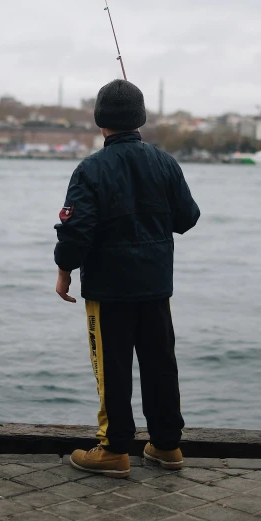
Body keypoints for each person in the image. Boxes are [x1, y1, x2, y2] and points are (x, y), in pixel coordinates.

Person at [54, 79, 200, 478]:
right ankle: (167, 446)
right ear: (140, 119)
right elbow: (188, 218)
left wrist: (64, 269)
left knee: (112, 367)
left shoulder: (90, 169)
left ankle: (115, 448)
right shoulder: (165, 162)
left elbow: (76, 230)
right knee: (160, 363)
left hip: (108, 289)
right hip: (155, 286)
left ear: (101, 121)